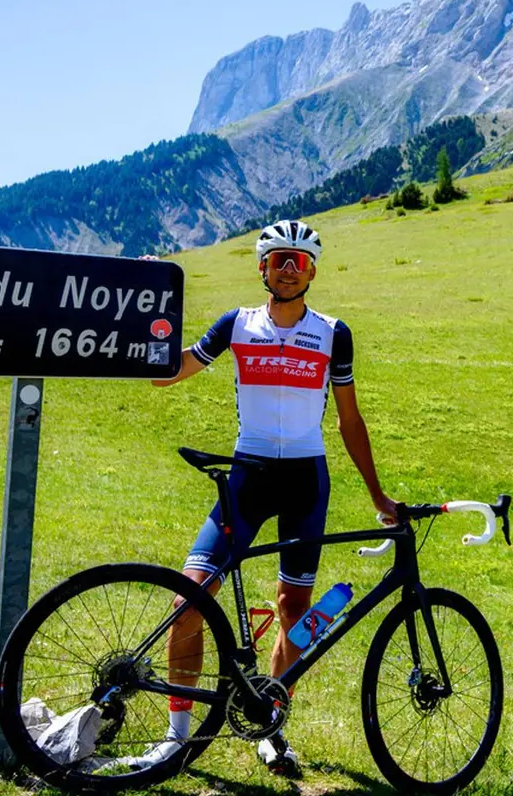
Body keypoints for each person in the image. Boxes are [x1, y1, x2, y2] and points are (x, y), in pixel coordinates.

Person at [150, 219, 397, 777]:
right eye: (278, 260)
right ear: (262, 267)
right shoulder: (237, 324)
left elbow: (350, 419)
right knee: (187, 600)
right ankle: (177, 737)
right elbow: (168, 373)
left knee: (295, 612)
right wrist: (143, 314)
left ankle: (270, 726)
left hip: (306, 480)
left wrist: (378, 495)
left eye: (299, 261)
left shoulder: (334, 333)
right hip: (249, 475)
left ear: (312, 270)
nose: (288, 269)